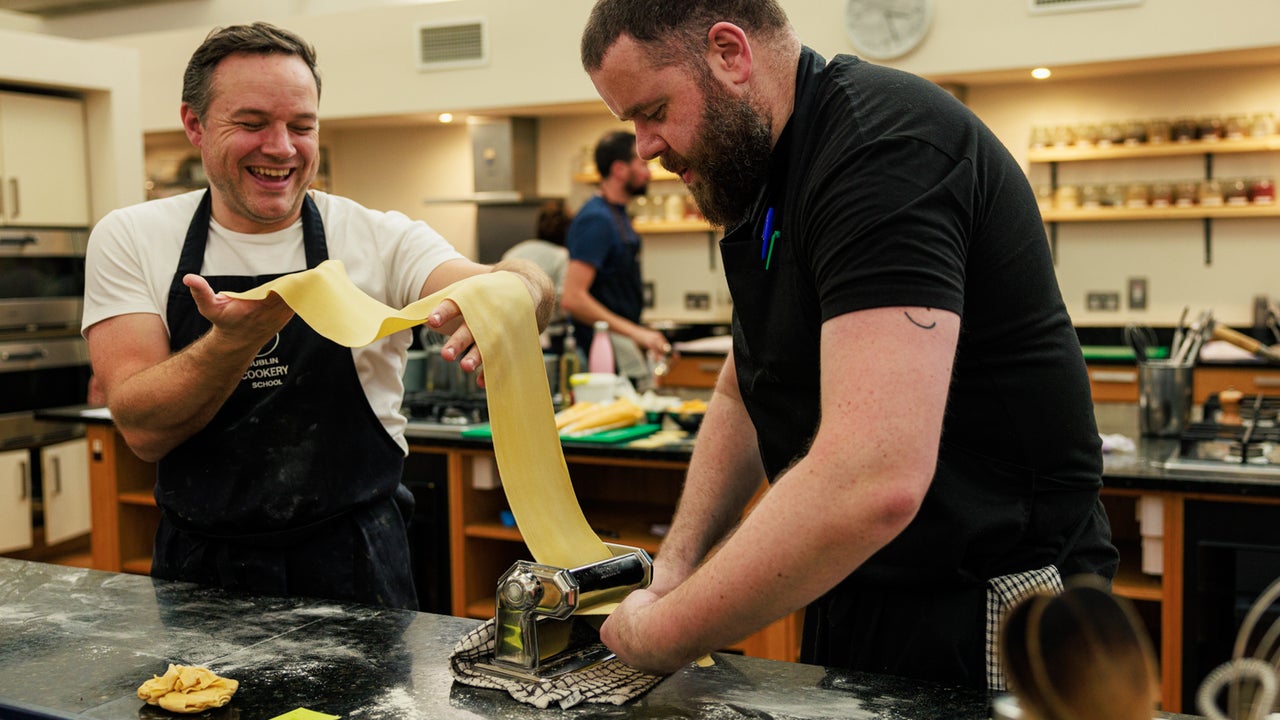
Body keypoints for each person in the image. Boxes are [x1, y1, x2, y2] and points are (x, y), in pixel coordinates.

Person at [580, 0, 1119, 689]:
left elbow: (873, 480)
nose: (645, 147)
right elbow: (748, 384)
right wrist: (676, 564)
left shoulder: (883, 151)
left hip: (991, 601)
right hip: (865, 584)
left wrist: (667, 632)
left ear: (729, 53)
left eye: (653, 110)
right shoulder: (765, 172)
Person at [81, 22, 553, 611]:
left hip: (357, 563)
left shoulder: (377, 236)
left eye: (301, 127)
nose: (281, 147)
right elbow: (141, 428)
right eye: (252, 124)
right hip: (201, 572)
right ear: (195, 125)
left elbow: (511, 285)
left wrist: (524, 291)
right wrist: (235, 342)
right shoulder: (132, 237)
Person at [560, 130, 670, 388]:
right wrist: (636, 333)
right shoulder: (596, 220)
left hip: (619, 344)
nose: (648, 173)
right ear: (620, 169)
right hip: (601, 354)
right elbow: (573, 298)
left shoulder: (616, 215)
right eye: (642, 164)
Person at [501, 198, 572, 350]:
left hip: (510, 334)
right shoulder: (562, 255)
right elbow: (563, 300)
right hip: (547, 336)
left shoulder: (515, 251)